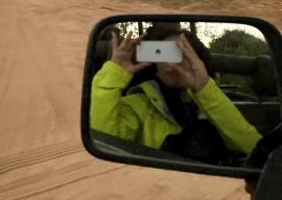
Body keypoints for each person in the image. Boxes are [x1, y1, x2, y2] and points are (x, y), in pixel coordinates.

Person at [91, 23, 261, 164]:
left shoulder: (216, 105)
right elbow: (103, 140)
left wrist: (205, 88)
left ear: (199, 62)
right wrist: (113, 74)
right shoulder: (138, 104)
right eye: (162, 54)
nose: (170, 65)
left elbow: (253, 147)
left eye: (180, 55)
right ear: (154, 66)